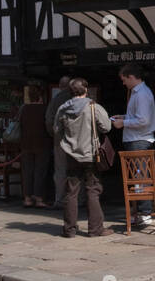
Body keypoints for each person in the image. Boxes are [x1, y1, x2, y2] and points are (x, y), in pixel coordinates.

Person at [51, 78, 113, 238]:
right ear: (86, 90)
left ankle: (69, 229)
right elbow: (106, 126)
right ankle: (95, 229)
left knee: (71, 192)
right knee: (93, 189)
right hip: (91, 154)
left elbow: (56, 130)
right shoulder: (93, 107)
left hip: (71, 154)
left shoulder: (62, 109)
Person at [114, 63, 155, 227]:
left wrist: (123, 123)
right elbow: (139, 116)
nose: (123, 83)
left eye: (124, 79)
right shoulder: (137, 93)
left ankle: (145, 213)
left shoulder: (141, 94)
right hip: (136, 139)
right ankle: (141, 212)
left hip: (139, 140)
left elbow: (143, 120)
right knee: (138, 177)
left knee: (140, 177)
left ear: (131, 77)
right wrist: (123, 116)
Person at [18, 84, 52, 207]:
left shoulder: (24, 109)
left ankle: (27, 198)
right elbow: (49, 125)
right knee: (40, 171)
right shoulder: (45, 109)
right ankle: (39, 198)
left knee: (27, 171)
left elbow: (19, 124)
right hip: (42, 143)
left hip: (26, 143)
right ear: (40, 97)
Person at [44, 74, 72, 208]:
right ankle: (79, 199)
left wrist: (55, 134)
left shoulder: (56, 100)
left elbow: (49, 120)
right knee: (78, 171)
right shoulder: (80, 99)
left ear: (60, 87)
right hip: (78, 142)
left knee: (60, 170)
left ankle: (60, 199)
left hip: (60, 141)